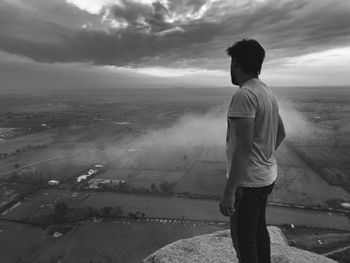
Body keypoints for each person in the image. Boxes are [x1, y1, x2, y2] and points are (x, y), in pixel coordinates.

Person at [219, 39, 286, 263]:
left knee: (244, 241)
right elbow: (281, 133)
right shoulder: (267, 92)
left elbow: (243, 147)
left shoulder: (244, 96)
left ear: (236, 62)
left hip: (247, 185)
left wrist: (229, 192)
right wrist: (264, 157)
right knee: (258, 232)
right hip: (266, 178)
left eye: (231, 62)